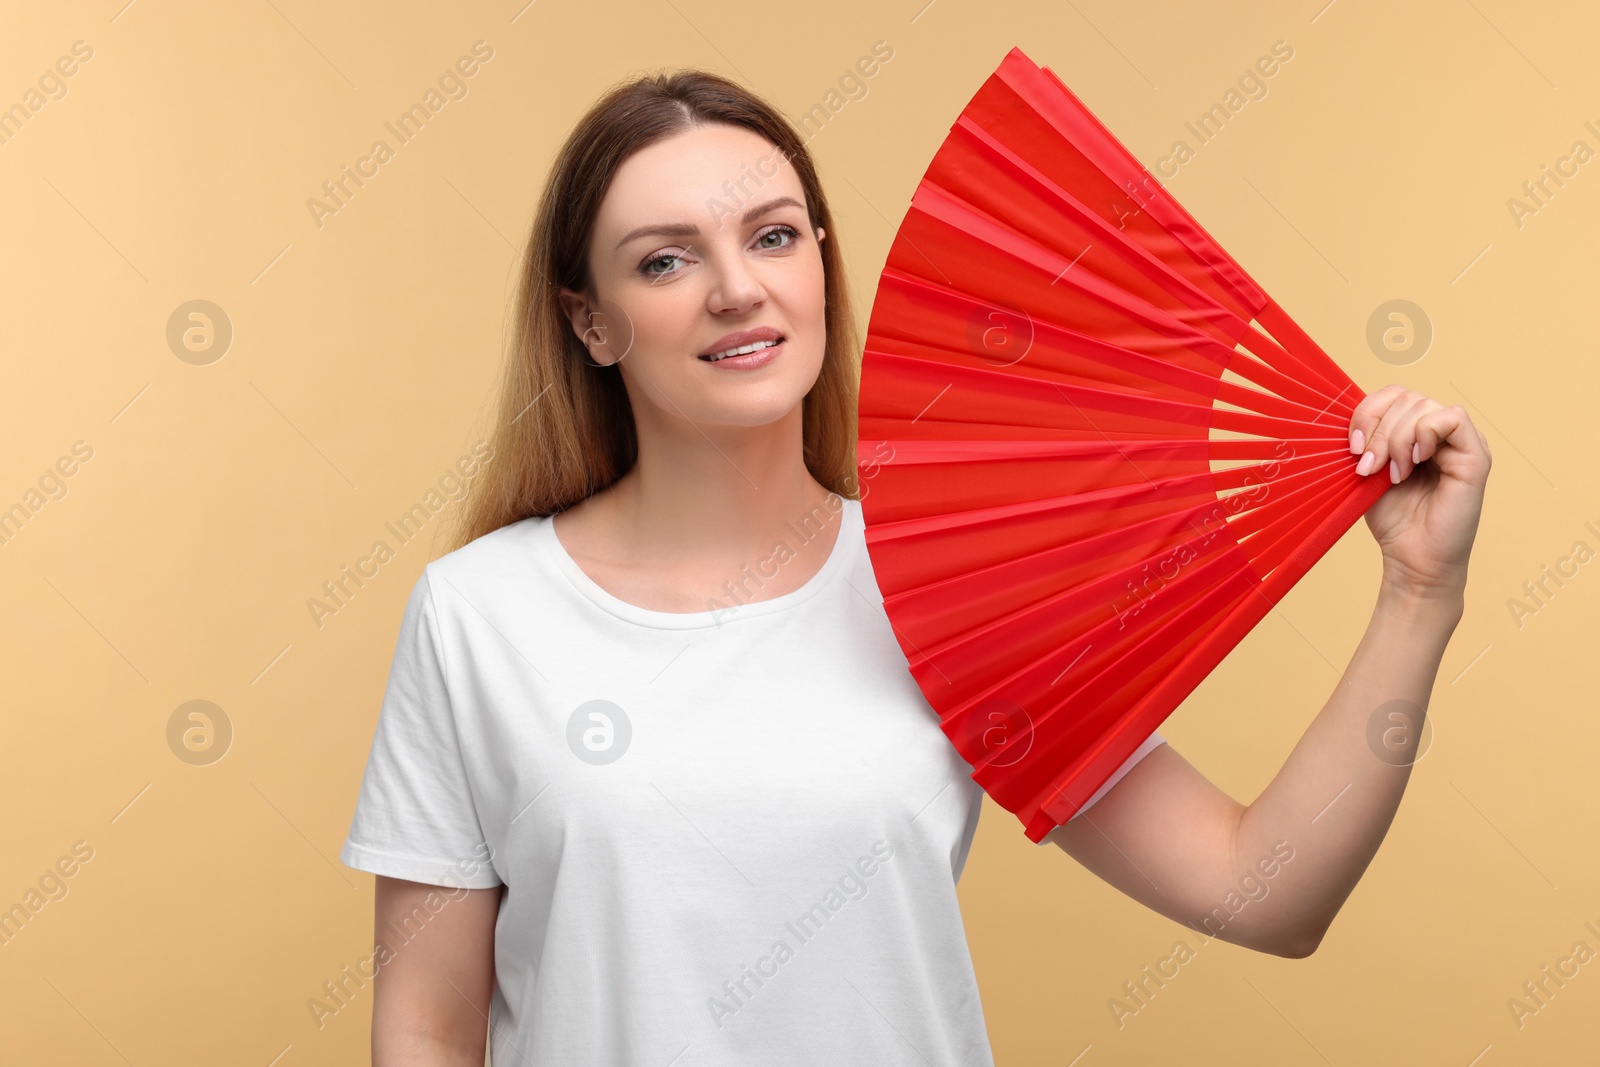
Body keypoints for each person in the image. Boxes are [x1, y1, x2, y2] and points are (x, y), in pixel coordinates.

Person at [338, 68, 1490, 1066]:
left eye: (772, 235)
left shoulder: (946, 586)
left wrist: (1417, 593)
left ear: (820, 268)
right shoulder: (479, 614)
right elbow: (428, 1030)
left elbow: (1266, 890)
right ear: (591, 324)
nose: (736, 286)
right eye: (665, 258)